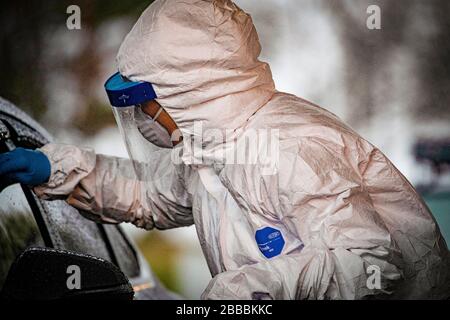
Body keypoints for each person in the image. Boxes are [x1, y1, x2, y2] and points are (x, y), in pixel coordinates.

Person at [0, 0, 449, 299]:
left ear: (189, 90)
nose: (141, 119)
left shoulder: (287, 146)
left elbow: (372, 262)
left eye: (145, 103)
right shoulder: (209, 147)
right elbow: (151, 196)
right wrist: (55, 171)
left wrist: (250, 291)